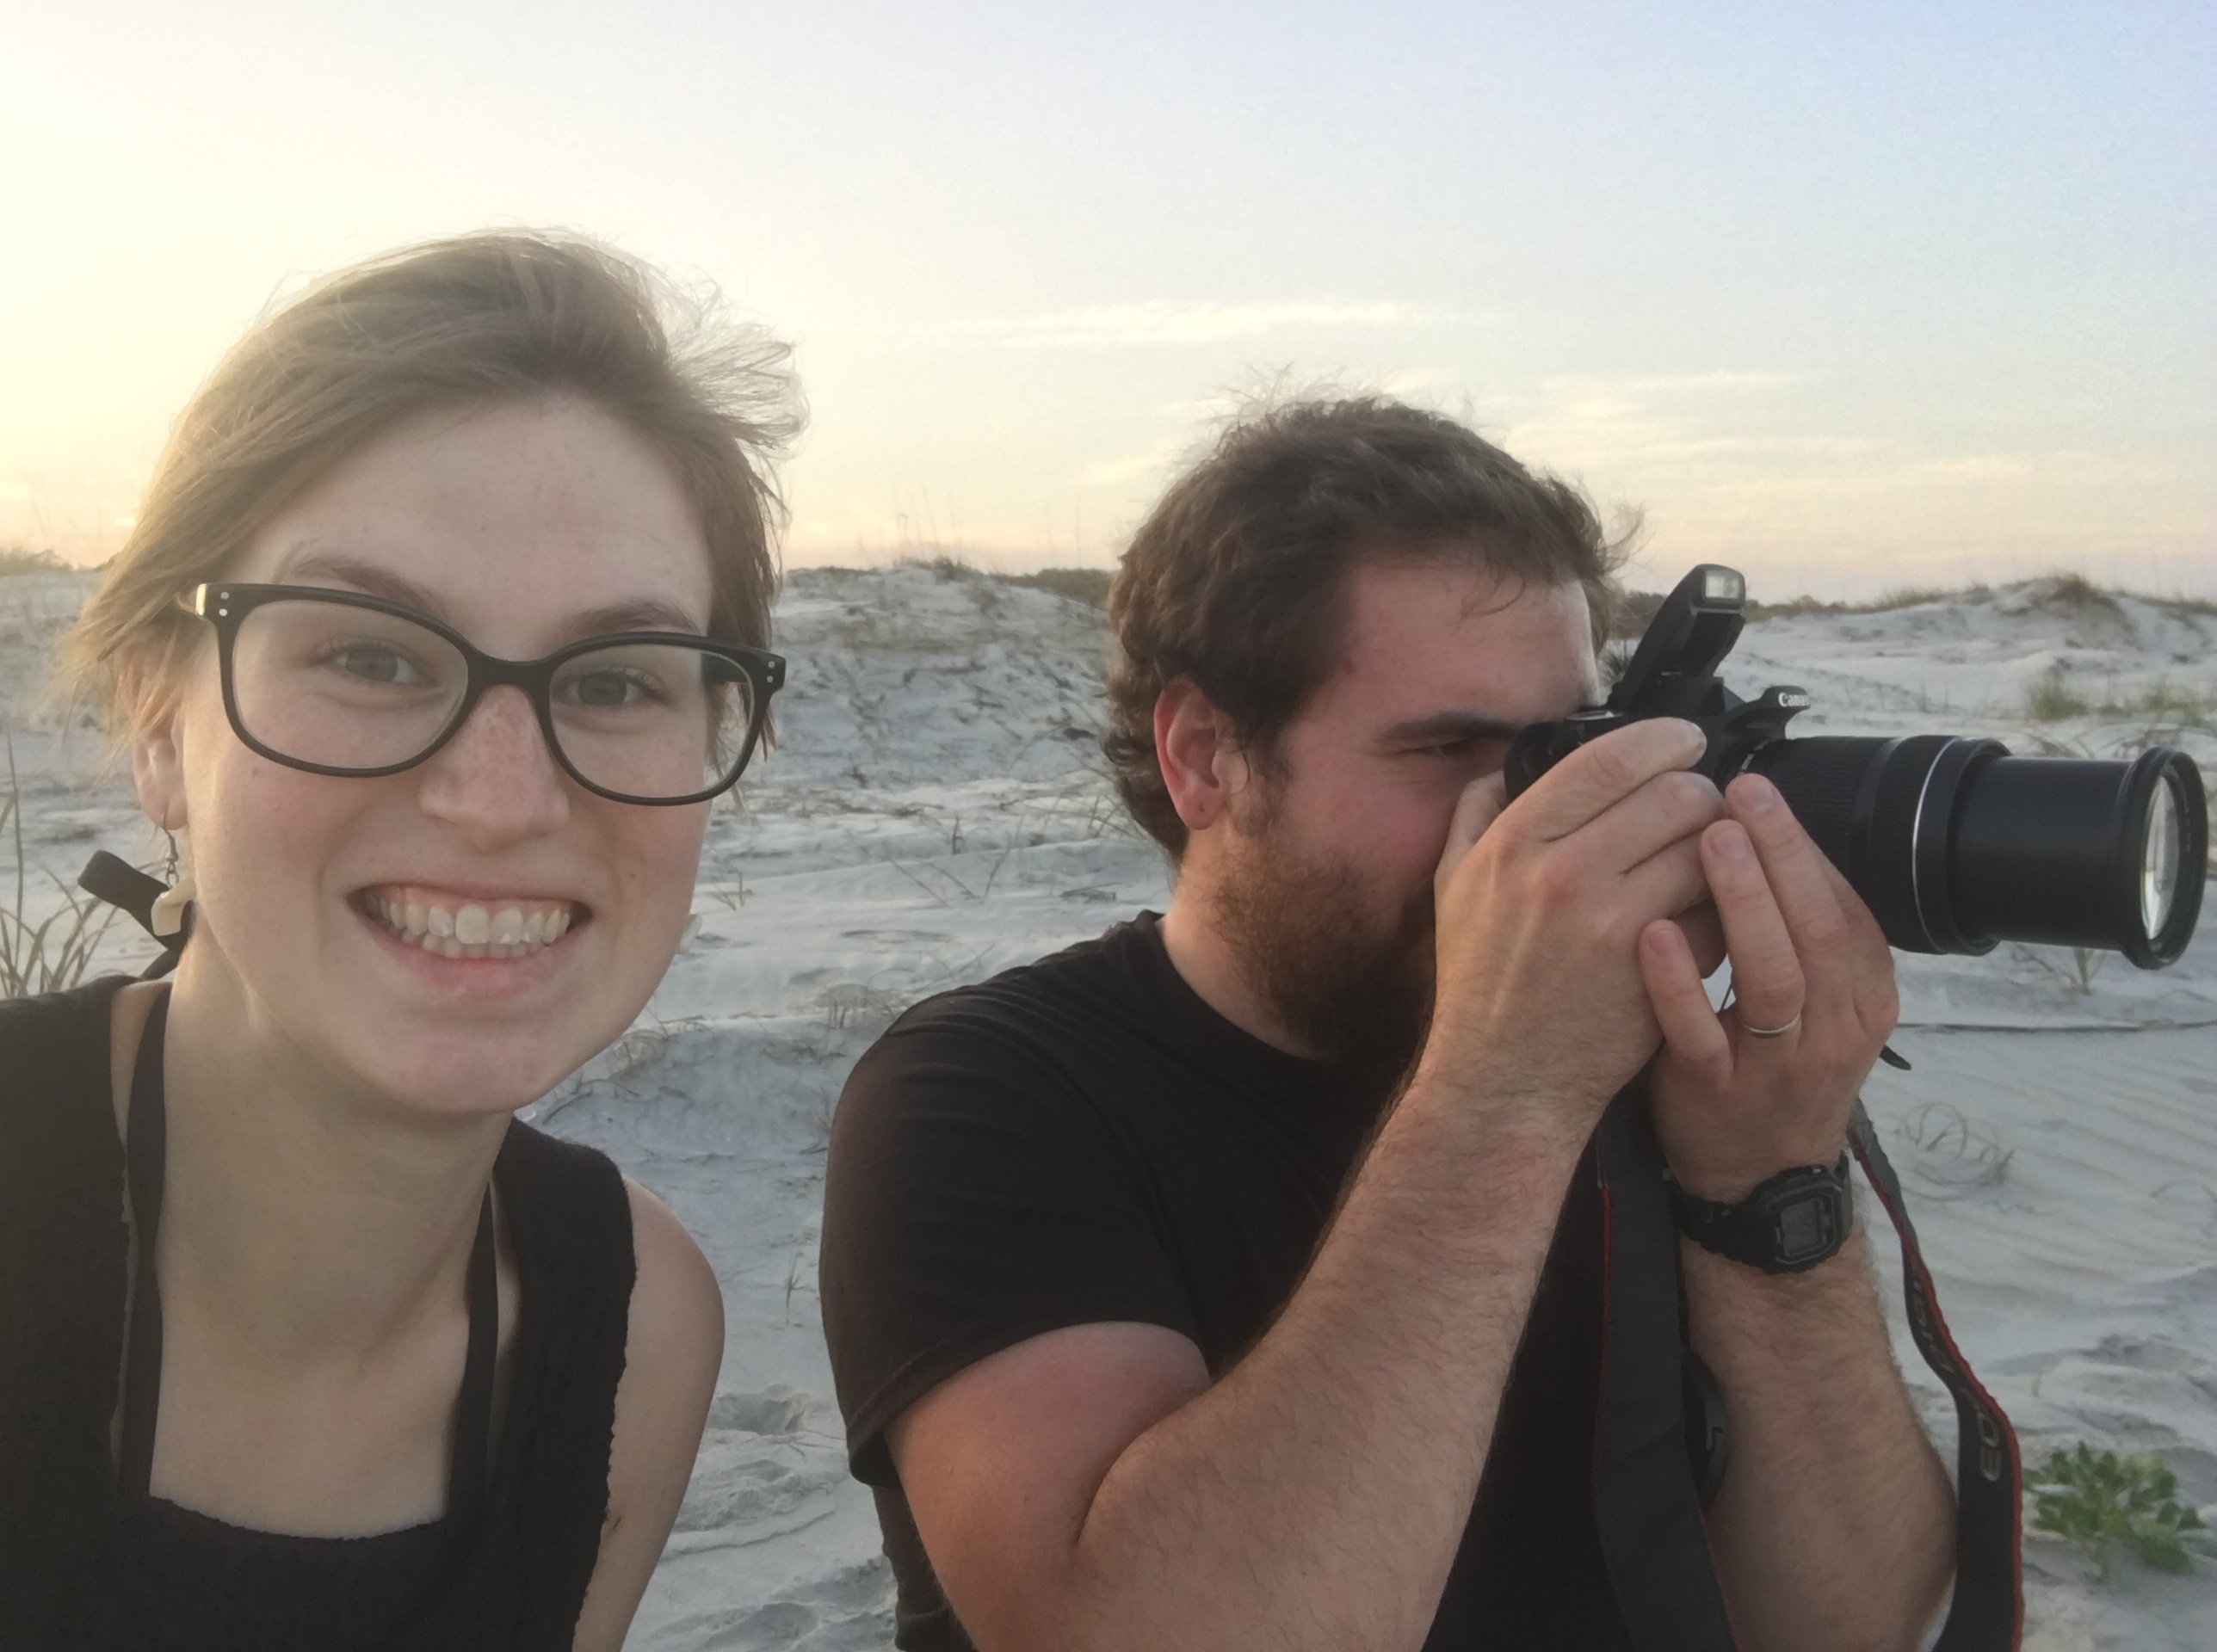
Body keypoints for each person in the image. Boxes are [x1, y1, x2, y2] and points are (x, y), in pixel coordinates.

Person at [819, 398, 1960, 1651]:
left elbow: (1853, 1625)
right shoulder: (987, 1096)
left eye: (1570, 748)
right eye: (1452, 748)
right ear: (1204, 756)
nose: (1532, 823)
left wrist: (1769, 1185)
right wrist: (1506, 1093)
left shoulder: (1638, 1072)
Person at [0, 231, 800, 1650]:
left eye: (616, 681)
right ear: (161, 724)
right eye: (369, 655)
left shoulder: (633, 1329)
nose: (502, 803)